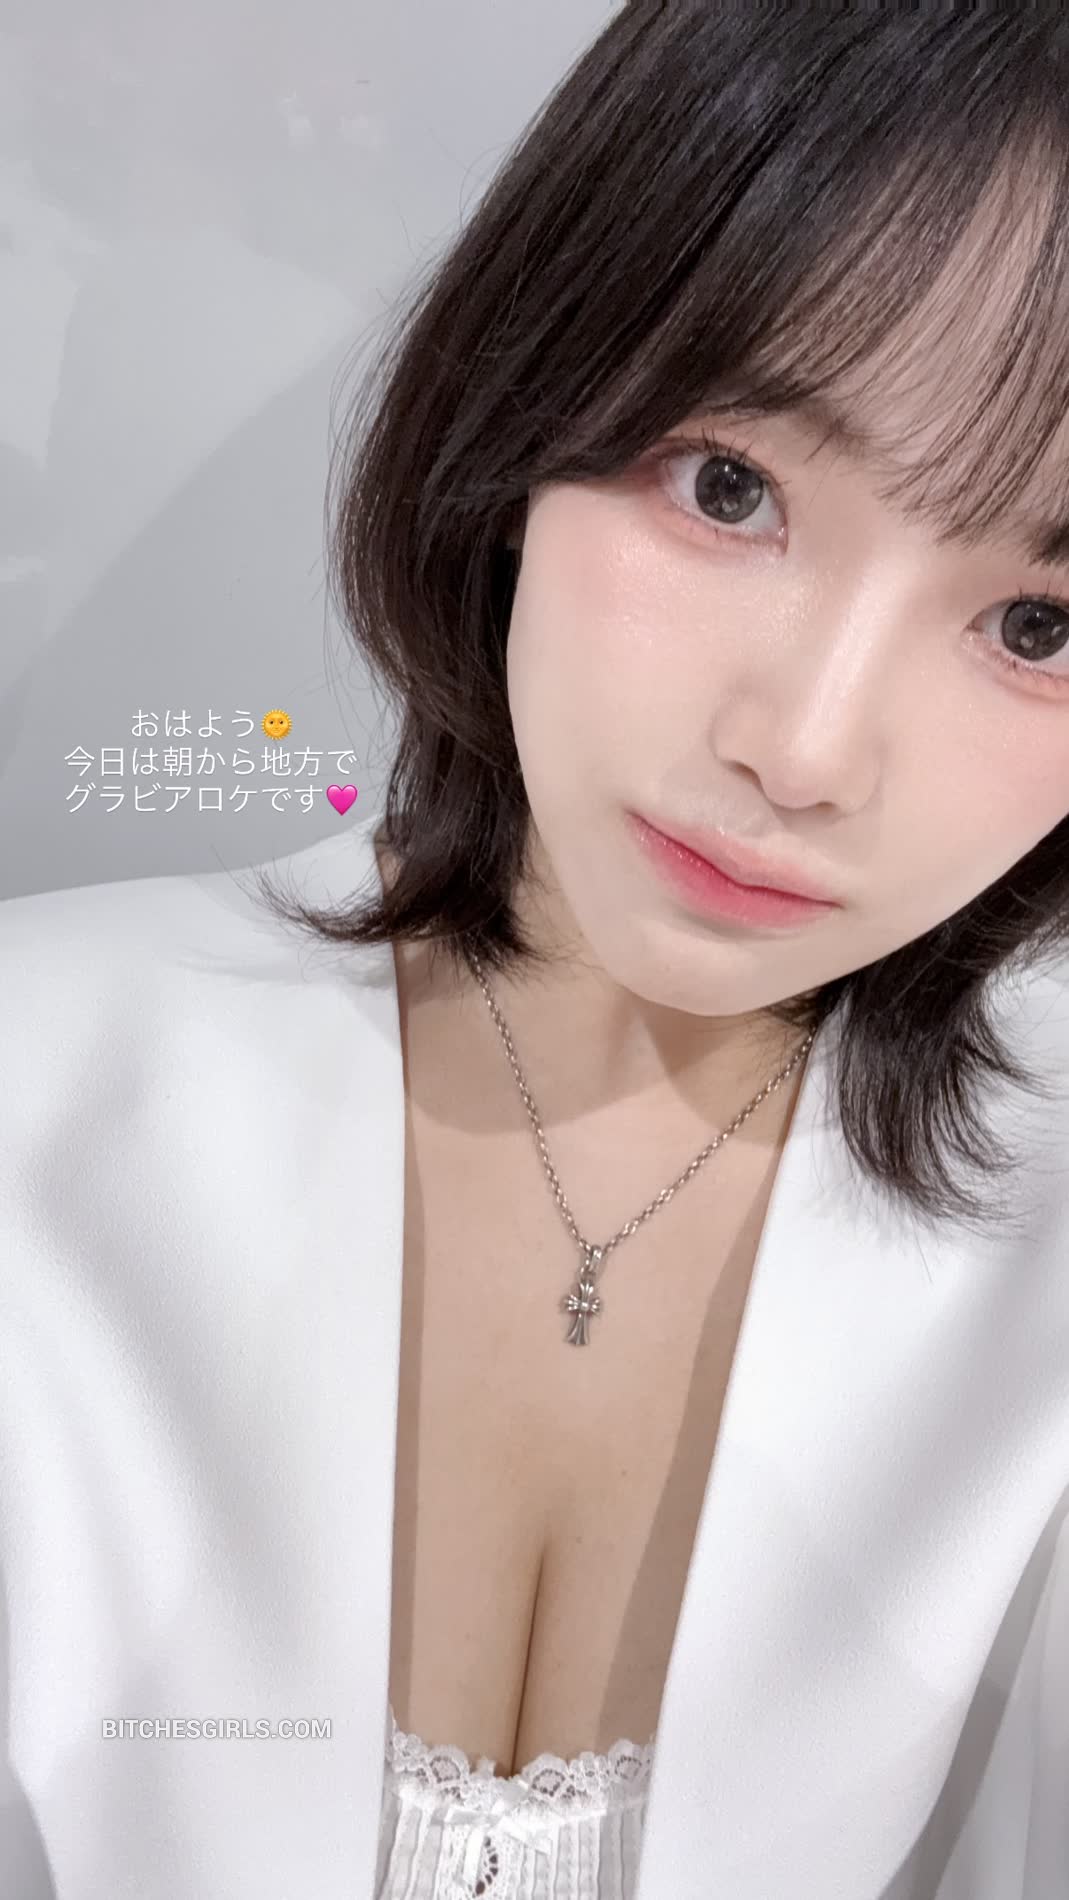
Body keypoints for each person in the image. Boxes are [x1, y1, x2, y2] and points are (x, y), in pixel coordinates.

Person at [3, 5, 1069, 1897]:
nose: (803, 751)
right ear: (529, 398)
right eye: (727, 486)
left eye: (1040, 628)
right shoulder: (38, 1088)